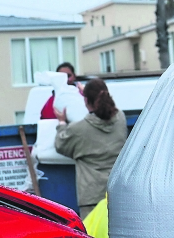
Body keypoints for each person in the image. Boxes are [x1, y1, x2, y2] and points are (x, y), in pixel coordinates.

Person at [53, 77, 128, 219]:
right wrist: (89, 93)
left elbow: (60, 145)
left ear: (86, 101)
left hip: (92, 198)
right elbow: (111, 110)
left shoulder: (79, 129)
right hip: (117, 194)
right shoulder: (121, 119)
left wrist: (61, 123)